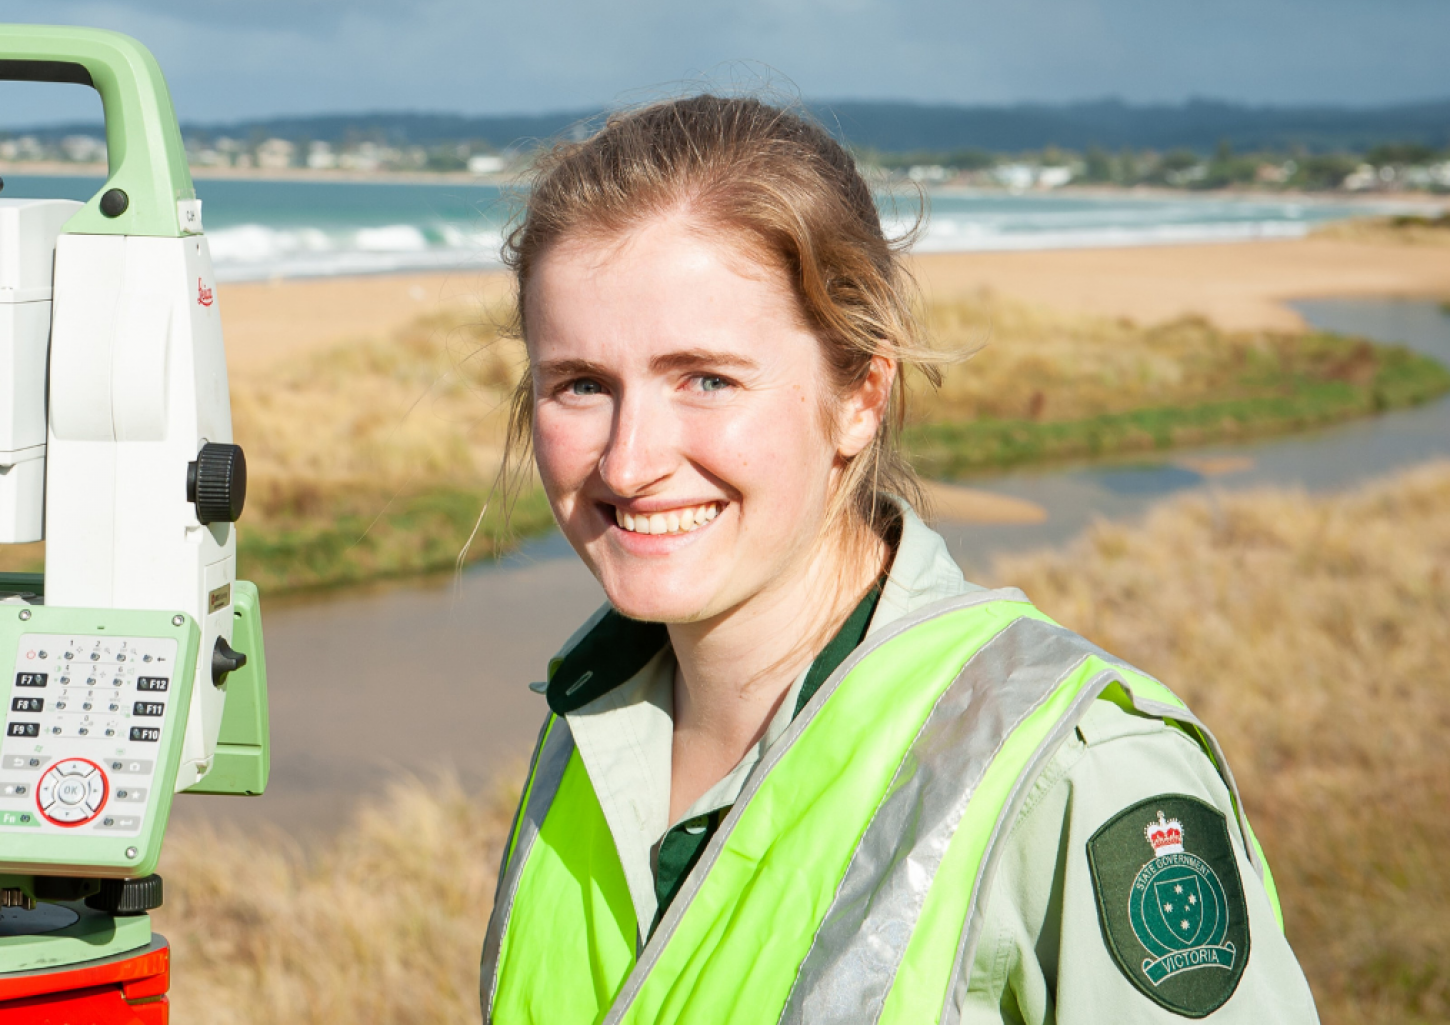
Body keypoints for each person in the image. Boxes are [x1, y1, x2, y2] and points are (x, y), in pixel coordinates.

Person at [478, 96, 1319, 1024]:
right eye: (581, 385)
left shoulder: (1077, 775)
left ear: (861, 396)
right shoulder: (583, 726)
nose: (629, 462)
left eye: (707, 379)